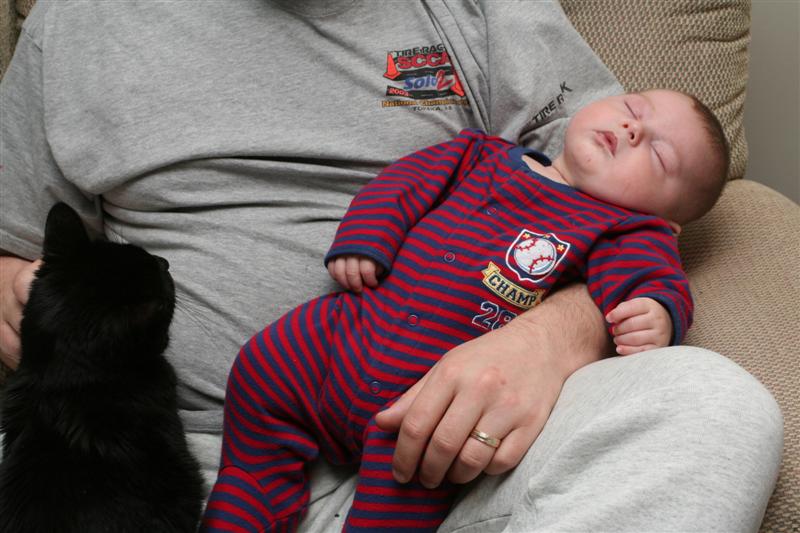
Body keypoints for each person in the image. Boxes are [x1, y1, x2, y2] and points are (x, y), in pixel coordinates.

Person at [0, 2, 782, 532]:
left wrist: (555, 336)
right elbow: (13, 241)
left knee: (716, 409)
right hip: (157, 460)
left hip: (458, 451)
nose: (633, 127)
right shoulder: (79, 21)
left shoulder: (480, 12)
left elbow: (633, 208)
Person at [201, 89, 727, 531]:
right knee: (264, 367)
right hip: (335, 341)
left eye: (659, 154)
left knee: (419, 480)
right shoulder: (479, 153)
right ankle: (246, 499)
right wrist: (367, 238)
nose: (633, 130)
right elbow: (402, 184)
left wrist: (655, 311)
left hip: (427, 399)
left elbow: (656, 279)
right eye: (633, 108)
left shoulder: (625, 230)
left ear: (667, 218)